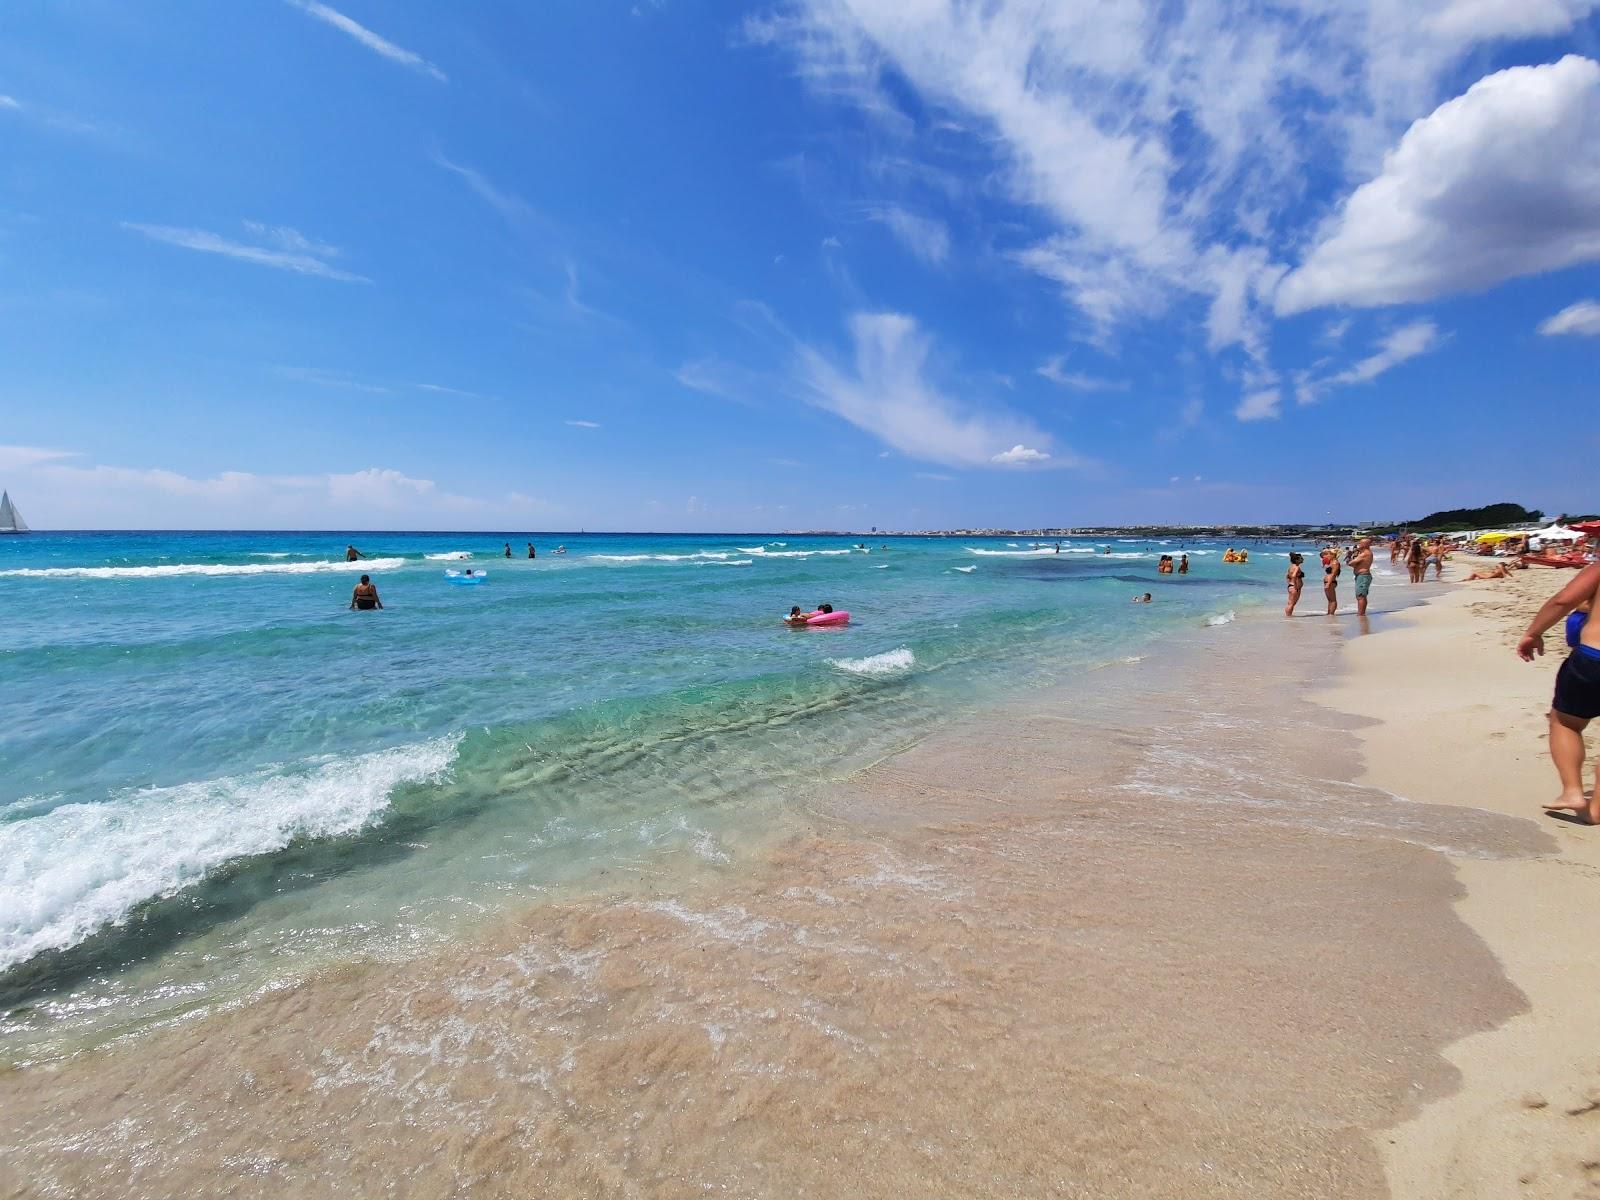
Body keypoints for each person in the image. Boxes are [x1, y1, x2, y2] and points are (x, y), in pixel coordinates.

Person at [1517, 562, 1600, 824]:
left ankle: (1573, 792)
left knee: (1565, 722)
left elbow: (1563, 601)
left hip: (1593, 659)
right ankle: (1597, 808)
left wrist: (1533, 632)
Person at [1346, 536, 1374, 617]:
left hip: (1363, 576)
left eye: (1360, 543)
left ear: (1365, 545)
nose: (1359, 544)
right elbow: (1354, 564)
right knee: (1362, 595)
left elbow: (1351, 563)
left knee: (1360, 595)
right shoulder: (1364, 553)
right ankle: (1361, 613)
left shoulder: (1365, 554)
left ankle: (1360, 614)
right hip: (1362, 576)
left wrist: (1349, 556)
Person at [1285, 552, 1306, 617]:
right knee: (1291, 603)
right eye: (1301, 558)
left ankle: (1288, 617)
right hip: (1294, 587)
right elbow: (1293, 576)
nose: (1303, 559)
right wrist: (1295, 585)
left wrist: (1290, 583)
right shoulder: (1296, 567)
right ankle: (1288, 617)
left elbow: (1287, 576)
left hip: (1291, 586)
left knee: (1291, 603)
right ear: (1297, 560)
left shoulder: (1291, 567)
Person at [1321, 548, 1341, 614]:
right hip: (1328, 582)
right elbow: (1322, 555)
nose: (1327, 556)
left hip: (1331, 582)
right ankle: (1329, 613)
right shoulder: (1332, 562)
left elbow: (1333, 574)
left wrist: (1328, 583)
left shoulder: (1335, 563)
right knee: (1329, 600)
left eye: (1329, 554)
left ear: (1332, 555)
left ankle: (1331, 614)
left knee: (1332, 600)